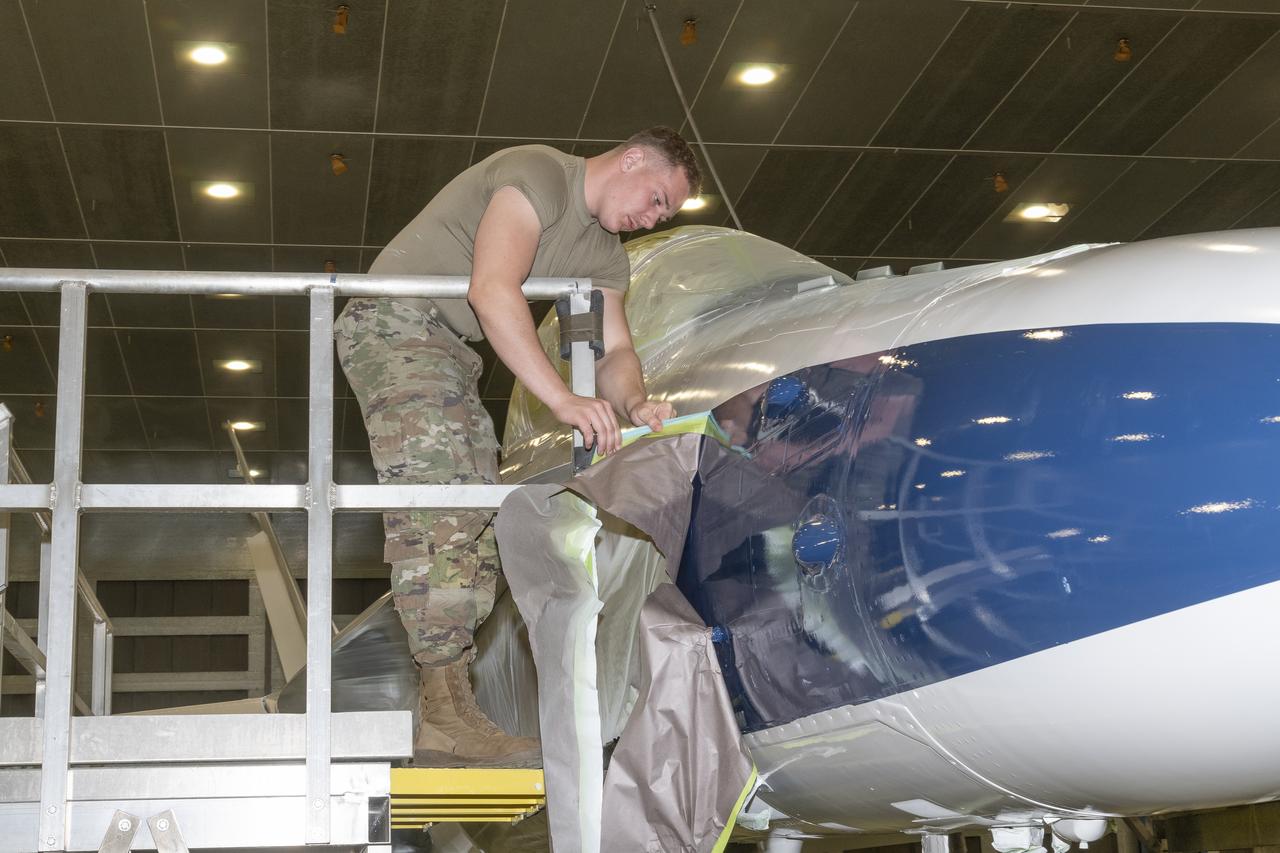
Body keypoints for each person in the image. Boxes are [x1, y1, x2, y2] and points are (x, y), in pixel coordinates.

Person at [334, 127, 701, 767]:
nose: (652, 217)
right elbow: (491, 288)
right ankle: (445, 712)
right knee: (443, 501)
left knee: (480, 510)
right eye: (656, 198)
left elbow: (615, 351)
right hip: (393, 323)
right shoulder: (539, 174)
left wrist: (635, 402)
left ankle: (447, 706)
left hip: (449, 353)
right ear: (633, 158)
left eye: (663, 214)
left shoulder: (604, 255)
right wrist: (564, 401)